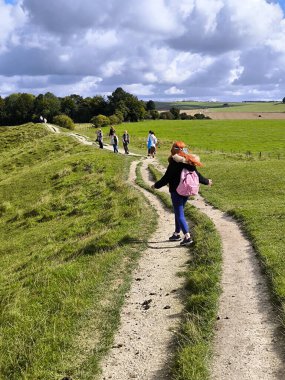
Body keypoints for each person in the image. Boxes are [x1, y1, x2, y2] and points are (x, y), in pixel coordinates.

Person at [152, 141, 212, 246]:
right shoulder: (189, 162)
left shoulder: (174, 163)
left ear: (173, 150)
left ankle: (187, 237)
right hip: (186, 191)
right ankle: (176, 234)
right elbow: (197, 176)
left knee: (180, 214)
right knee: (178, 212)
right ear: (184, 150)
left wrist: (156, 185)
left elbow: (166, 178)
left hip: (176, 191)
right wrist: (207, 181)